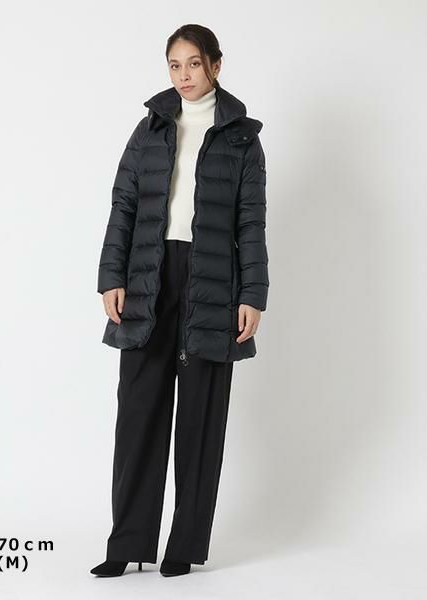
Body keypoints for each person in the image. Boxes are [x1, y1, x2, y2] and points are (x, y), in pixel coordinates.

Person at [91, 23, 269, 578]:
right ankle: (127, 543)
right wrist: (111, 277)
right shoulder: (149, 128)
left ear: (215, 64)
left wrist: (252, 294)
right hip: (150, 275)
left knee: (200, 419)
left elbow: (251, 221)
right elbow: (123, 205)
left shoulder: (241, 139)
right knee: (138, 412)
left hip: (212, 283)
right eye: (175, 65)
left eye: (193, 63)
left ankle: (182, 547)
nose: (184, 75)